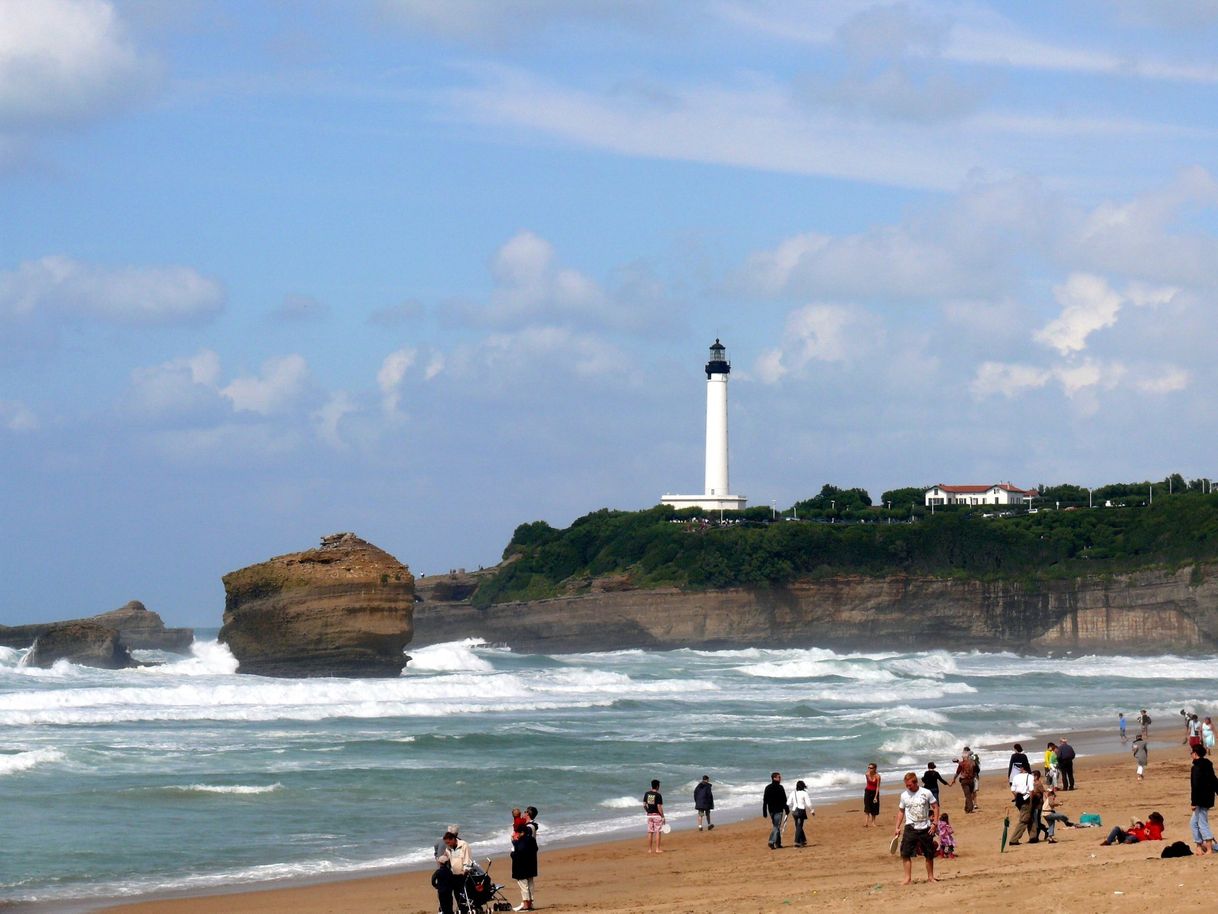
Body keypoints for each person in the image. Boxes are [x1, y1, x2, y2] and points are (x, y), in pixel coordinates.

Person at [894, 771, 939, 885]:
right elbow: (901, 811)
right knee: (905, 853)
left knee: (929, 853)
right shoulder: (904, 795)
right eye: (906, 785)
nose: (908, 787)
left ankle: (930, 877)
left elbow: (935, 806)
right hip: (910, 827)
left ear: (915, 782)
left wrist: (935, 823)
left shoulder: (926, 792)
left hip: (925, 827)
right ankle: (907, 878)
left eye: (909, 785)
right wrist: (897, 827)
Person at [434, 827, 472, 914]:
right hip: (453, 875)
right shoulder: (448, 848)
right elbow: (445, 857)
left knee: (461, 895)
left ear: (454, 839)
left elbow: (467, 859)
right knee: (451, 894)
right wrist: (439, 859)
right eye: (446, 843)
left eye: (449, 842)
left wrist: (466, 870)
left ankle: (464, 910)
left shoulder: (463, 845)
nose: (448, 845)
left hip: (462, 874)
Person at [1190, 744, 1218, 856]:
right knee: (1193, 823)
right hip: (1207, 798)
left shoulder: (1196, 767)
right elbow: (1214, 780)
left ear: (1195, 754)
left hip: (1201, 800)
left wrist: (1194, 802)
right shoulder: (1207, 765)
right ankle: (1199, 847)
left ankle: (1209, 848)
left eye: (1191, 753)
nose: (1191, 755)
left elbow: (1195, 786)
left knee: (1202, 823)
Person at [510, 818, 539, 911]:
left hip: (521, 868)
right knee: (530, 884)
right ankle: (530, 903)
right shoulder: (531, 839)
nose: (516, 834)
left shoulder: (520, 842)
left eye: (517, 832)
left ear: (521, 832)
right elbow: (535, 849)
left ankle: (526, 905)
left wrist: (513, 851)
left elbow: (517, 854)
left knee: (524, 886)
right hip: (531, 866)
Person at [1007, 767, 1040, 845]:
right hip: (1026, 798)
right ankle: (1014, 839)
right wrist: (1031, 802)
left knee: (1029, 817)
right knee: (1024, 819)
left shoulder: (1016, 777)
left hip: (1019, 799)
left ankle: (1033, 837)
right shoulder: (1030, 777)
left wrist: (1017, 797)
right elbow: (1031, 791)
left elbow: (1012, 790)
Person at [762, 771, 789, 849]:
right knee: (776, 827)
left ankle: (778, 843)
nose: (780, 778)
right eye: (779, 777)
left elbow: (765, 801)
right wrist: (786, 809)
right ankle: (771, 841)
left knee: (776, 826)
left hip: (771, 811)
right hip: (778, 810)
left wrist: (764, 811)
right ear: (774, 778)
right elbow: (784, 800)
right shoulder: (780, 787)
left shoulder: (767, 787)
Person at [642, 780, 665, 853]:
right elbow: (659, 806)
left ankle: (649, 849)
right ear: (658, 786)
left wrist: (648, 811)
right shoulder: (658, 795)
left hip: (649, 816)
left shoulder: (647, 794)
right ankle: (657, 849)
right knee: (658, 832)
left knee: (650, 832)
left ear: (651, 786)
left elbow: (644, 804)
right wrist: (663, 816)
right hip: (657, 815)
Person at [791, 779, 814, 847]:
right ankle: (796, 841)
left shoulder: (793, 793)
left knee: (798, 826)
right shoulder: (804, 793)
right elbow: (808, 803)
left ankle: (802, 841)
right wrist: (812, 811)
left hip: (794, 811)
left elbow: (788, 802)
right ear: (803, 786)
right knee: (799, 826)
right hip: (801, 811)